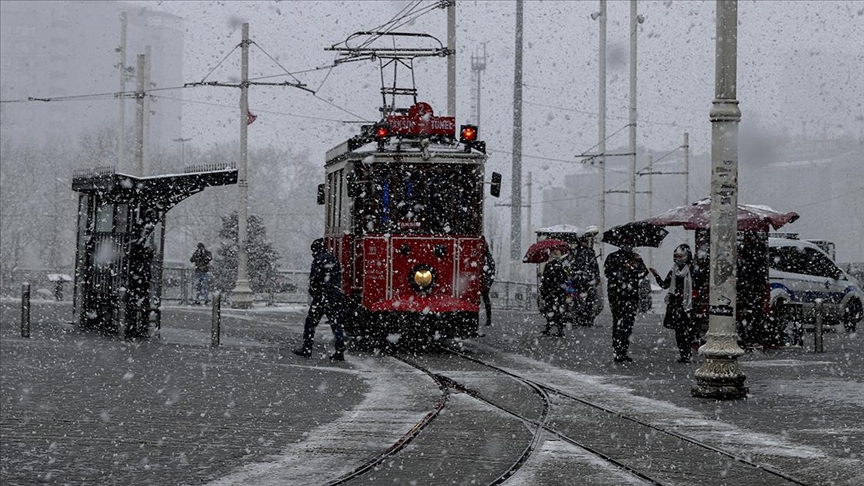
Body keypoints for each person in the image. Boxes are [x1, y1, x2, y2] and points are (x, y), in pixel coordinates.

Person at [293, 238, 346, 361]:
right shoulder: (334, 259)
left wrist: (314, 292)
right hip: (334, 296)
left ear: (315, 250)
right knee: (336, 324)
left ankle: (307, 348)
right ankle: (340, 349)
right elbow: (338, 278)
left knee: (310, 323)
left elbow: (314, 279)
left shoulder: (318, 260)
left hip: (321, 296)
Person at [650, 244, 698, 363]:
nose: (678, 259)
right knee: (679, 330)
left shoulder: (693, 269)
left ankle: (688, 350)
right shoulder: (674, 269)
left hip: (689, 304)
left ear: (687, 256)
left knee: (689, 329)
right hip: (676, 304)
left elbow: (698, 285)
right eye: (676, 256)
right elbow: (665, 285)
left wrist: (690, 295)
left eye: (681, 256)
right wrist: (656, 275)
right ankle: (684, 353)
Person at [604, 241, 649, 363]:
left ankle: (623, 350)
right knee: (619, 322)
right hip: (617, 295)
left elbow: (644, 272)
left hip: (631, 295)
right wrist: (622, 268)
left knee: (628, 324)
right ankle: (618, 351)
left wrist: (634, 265)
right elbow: (608, 273)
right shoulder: (613, 257)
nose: (628, 246)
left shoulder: (636, 258)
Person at [569, 233, 601, 327]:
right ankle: (584, 317)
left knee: (586, 299)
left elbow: (594, 265)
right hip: (583, 280)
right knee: (582, 299)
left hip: (583, 280)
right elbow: (594, 266)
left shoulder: (580, 252)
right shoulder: (583, 252)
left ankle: (584, 317)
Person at [540, 248, 570, 337]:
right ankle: (560, 330)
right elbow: (565, 280)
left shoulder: (549, 266)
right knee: (558, 311)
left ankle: (548, 328)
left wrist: (544, 292)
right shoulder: (561, 266)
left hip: (550, 292)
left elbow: (545, 281)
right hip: (559, 293)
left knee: (550, 310)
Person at [481, 241, 496, 326]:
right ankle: (488, 319)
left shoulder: (485, 257)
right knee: (486, 300)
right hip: (485, 281)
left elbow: (491, 271)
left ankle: (488, 319)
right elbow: (492, 271)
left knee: (485, 300)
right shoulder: (488, 257)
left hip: (484, 281)